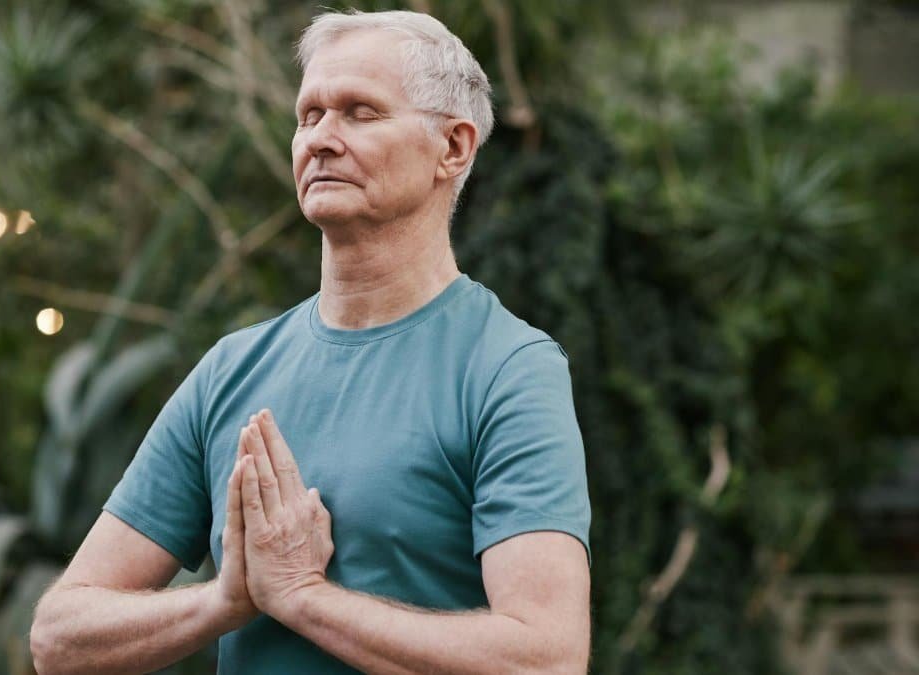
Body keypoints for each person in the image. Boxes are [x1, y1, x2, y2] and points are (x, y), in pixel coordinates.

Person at [30, 8, 592, 674]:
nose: (320, 138)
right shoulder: (231, 370)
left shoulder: (507, 369)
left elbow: (545, 659)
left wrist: (304, 597)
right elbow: (60, 636)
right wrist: (225, 601)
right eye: (308, 115)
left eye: (360, 112)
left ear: (454, 148)